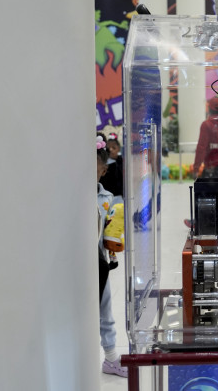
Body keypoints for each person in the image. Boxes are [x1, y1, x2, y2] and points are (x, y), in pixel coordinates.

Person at [96, 138, 128, 378]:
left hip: (99, 263)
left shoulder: (106, 198)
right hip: (76, 263)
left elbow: (110, 231)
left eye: (99, 168)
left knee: (105, 308)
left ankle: (111, 357)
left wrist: (112, 246)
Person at [185, 97, 218, 228]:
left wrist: (196, 168)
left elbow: (201, 147)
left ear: (210, 108)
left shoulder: (207, 125)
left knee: (204, 193)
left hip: (212, 168)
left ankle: (201, 222)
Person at [99, 134, 124, 203]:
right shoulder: (105, 164)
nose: (111, 150)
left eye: (114, 147)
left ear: (118, 148)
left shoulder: (122, 161)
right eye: (108, 148)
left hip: (121, 196)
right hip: (108, 197)